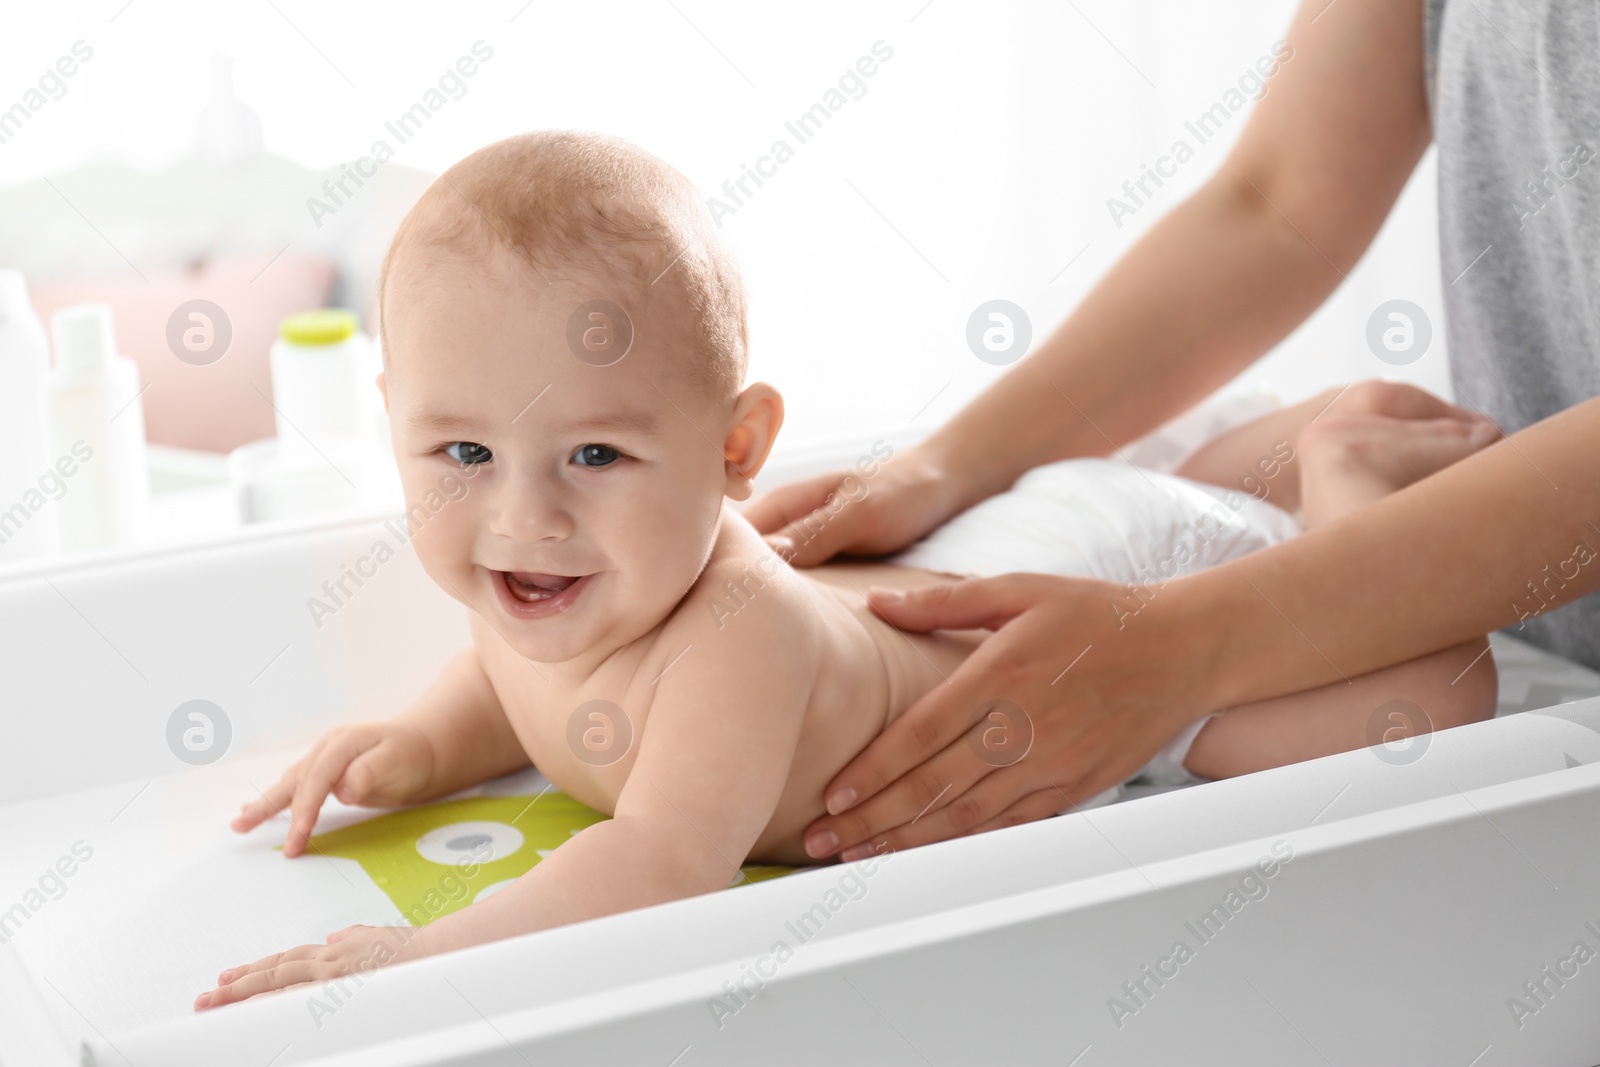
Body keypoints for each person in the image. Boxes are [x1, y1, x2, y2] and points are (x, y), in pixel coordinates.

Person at [198, 130, 1501, 1009]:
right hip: (994, 552)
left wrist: (422, 955)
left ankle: (1340, 483)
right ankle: (1241, 464)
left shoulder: (728, 640)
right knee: (1149, 510)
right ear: (395, 421)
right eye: (464, 449)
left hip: (1099, 624)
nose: (522, 515)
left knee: (1440, 698)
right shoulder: (547, 580)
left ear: (737, 448)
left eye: (595, 451)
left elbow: (658, 860)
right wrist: (416, 749)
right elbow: (502, 686)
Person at [746, 0, 1600, 862]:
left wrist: (1180, 651)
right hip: (1455, 556)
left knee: (1417, 702)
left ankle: (1345, 466)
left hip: (1433, 567)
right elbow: (1275, 202)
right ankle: (1341, 461)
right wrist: (946, 463)